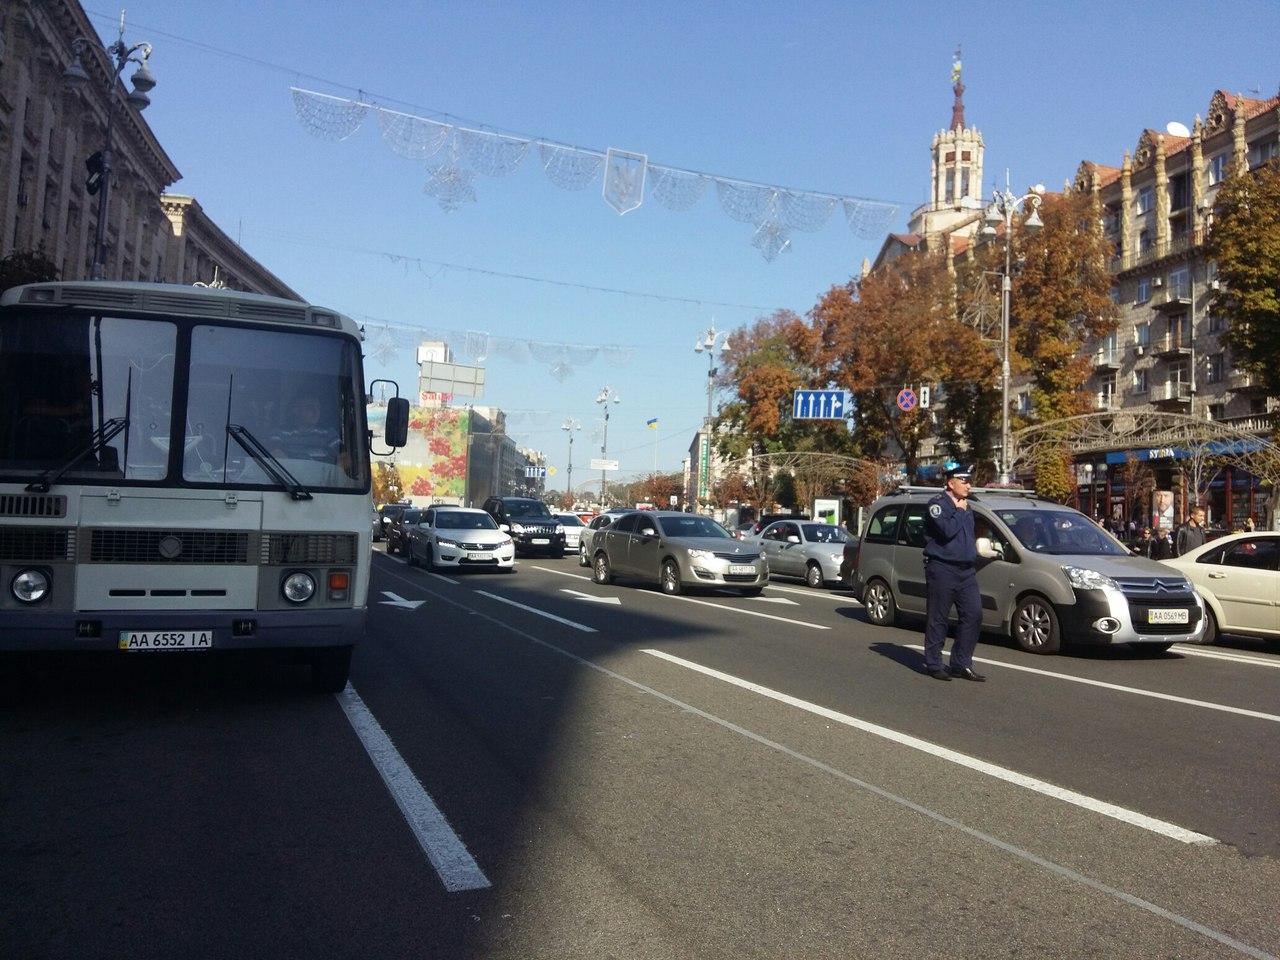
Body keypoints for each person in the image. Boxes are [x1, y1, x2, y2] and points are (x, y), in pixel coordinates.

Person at [921, 465, 985, 682]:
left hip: (966, 571)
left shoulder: (967, 507)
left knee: (974, 614)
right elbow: (947, 531)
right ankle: (934, 663)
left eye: (969, 481)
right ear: (951, 483)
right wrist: (958, 511)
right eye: (964, 481)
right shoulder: (937, 505)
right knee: (938, 617)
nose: (969, 485)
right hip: (942, 568)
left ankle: (961, 663)